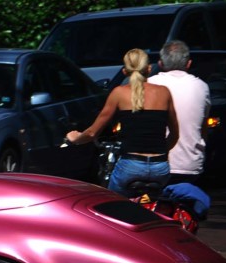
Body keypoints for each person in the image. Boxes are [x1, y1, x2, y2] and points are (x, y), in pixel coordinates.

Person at [66, 48, 179, 197]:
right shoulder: (164, 92)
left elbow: (93, 132)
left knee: (112, 204)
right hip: (160, 167)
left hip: (131, 165)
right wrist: (159, 154)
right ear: (149, 69)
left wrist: (75, 138)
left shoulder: (118, 93)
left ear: (125, 71)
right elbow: (175, 134)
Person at [148, 39, 210, 183]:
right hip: (190, 163)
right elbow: (203, 126)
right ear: (188, 64)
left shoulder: (149, 84)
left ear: (160, 64)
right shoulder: (201, 86)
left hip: (155, 162)